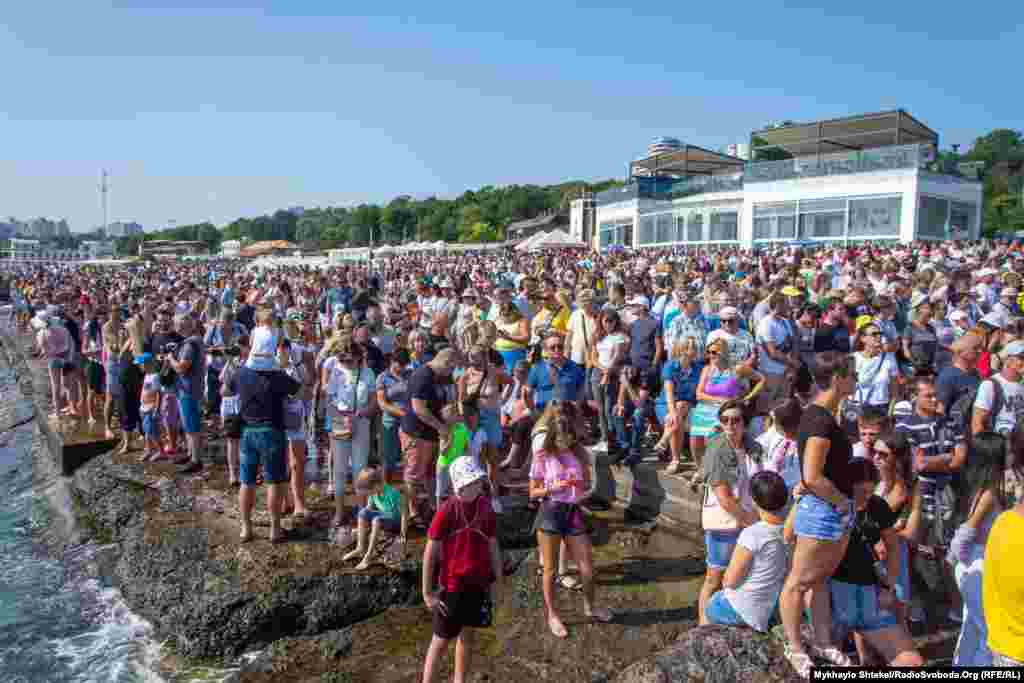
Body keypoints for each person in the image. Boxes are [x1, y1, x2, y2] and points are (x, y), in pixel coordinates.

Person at [789, 458, 923, 668]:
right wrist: (800, 500)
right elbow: (788, 535)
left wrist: (889, 583)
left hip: (867, 597)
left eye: (870, 493)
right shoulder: (824, 505)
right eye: (860, 493)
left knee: (913, 663)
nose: (864, 499)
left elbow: (894, 546)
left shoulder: (876, 505)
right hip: (829, 598)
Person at [779, 351, 857, 676]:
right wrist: (842, 503)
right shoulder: (820, 420)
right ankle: (794, 647)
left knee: (821, 579)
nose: (856, 379)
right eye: (851, 374)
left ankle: (823, 640)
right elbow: (811, 476)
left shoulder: (828, 414)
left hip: (834, 509)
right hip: (823, 510)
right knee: (798, 582)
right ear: (837, 379)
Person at [529, 402, 613, 638]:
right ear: (553, 436)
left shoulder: (577, 451)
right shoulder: (542, 455)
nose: (563, 444)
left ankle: (590, 606)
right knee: (550, 570)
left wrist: (580, 485)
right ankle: (552, 615)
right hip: (550, 512)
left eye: (567, 439)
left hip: (573, 511)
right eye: (560, 439)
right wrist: (550, 488)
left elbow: (586, 483)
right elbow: (532, 492)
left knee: (587, 567)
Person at [421, 458, 502, 683]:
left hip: (477, 584)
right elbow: (430, 553)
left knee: (468, 635)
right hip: (452, 587)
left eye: (477, 482)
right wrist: (427, 592)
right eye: (468, 484)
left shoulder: (485, 506)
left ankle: (460, 680)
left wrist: (498, 581)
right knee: (440, 639)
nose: (474, 487)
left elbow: (493, 544)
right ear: (457, 486)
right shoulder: (447, 511)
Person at [230, 325, 301, 544]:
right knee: (274, 481)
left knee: (246, 481)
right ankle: (275, 529)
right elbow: (300, 390)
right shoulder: (277, 376)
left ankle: (246, 528)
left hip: (248, 432)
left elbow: (227, 389)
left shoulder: (241, 372)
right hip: (272, 431)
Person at [698, 399, 762, 626]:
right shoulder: (717, 451)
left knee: (739, 576)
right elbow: (724, 499)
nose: (730, 425)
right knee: (714, 577)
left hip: (746, 518)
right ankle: (703, 625)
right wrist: (752, 522)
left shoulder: (753, 447)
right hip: (726, 523)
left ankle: (728, 619)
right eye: (725, 420)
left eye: (735, 420)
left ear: (745, 423)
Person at [948, 432, 1007, 666]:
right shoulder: (989, 494)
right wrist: (960, 559)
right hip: (979, 565)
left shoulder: (981, 488)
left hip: (974, 564)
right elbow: (966, 532)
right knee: (987, 629)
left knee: (971, 625)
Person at [704, 470, 789, 632]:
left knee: (712, 602)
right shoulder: (788, 531)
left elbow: (730, 581)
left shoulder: (752, 534)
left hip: (743, 609)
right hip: (766, 610)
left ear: (755, 501)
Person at [325, 333, 377, 527]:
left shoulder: (368, 373)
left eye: (348, 359)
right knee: (339, 469)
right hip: (340, 420)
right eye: (341, 359)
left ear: (357, 355)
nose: (345, 362)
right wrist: (337, 420)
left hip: (361, 421)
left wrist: (361, 414)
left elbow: (373, 401)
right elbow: (329, 400)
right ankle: (339, 512)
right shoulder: (336, 371)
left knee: (359, 469)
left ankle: (360, 511)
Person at [344, 466, 408, 571]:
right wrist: (362, 528)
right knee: (362, 512)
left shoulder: (393, 493)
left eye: (370, 492)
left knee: (376, 520)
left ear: (377, 485)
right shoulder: (374, 492)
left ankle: (368, 556)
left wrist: (403, 534)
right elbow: (368, 510)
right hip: (382, 516)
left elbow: (405, 513)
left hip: (394, 521)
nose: (370, 494)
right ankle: (360, 548)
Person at [168, 313, 206, 475]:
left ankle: (196, 460)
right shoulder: (195, 341)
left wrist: (170, 359)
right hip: (190, 388)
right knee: (188, 424)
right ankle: (191, 455)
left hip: (189, 389)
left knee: (192, 425)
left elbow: (182, 367)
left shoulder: (190, 344)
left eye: (176, 324)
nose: (175, 328)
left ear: (181, 326)